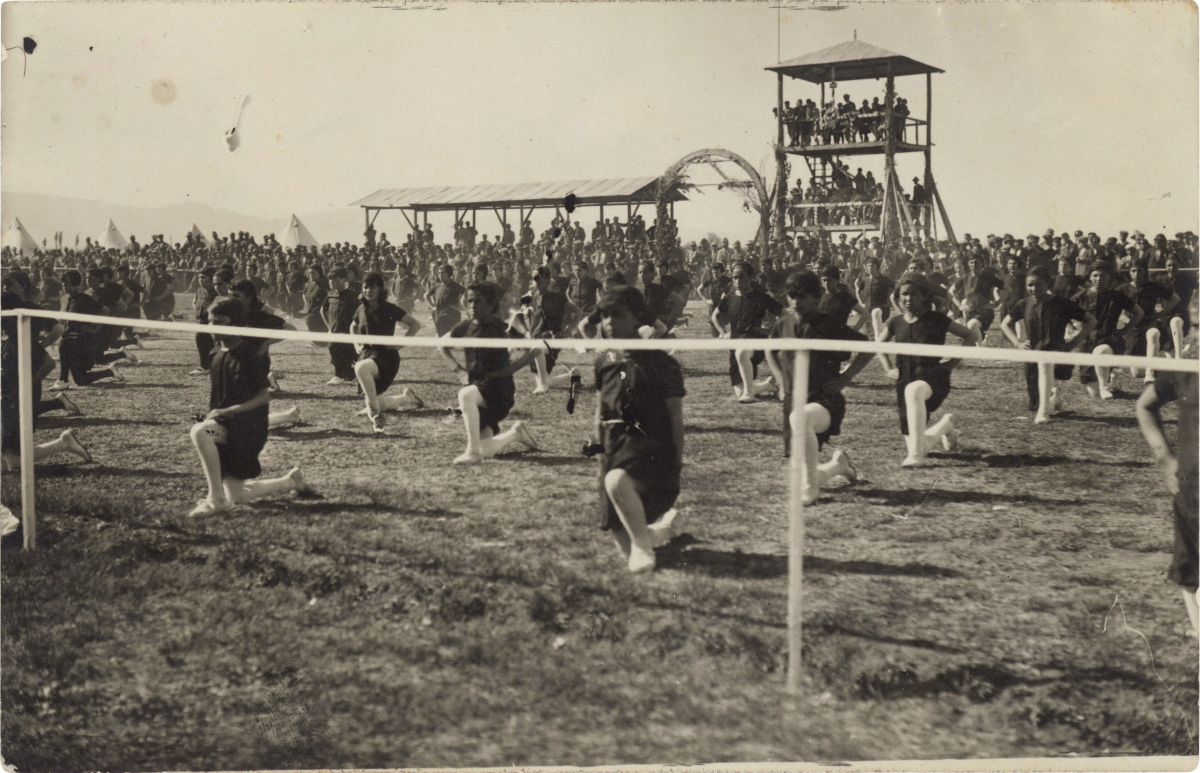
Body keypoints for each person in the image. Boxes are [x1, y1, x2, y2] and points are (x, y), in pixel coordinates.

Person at [187, 298, 315, 517]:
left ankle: (215, 501)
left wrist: (229, 411)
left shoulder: (247, 356)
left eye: (219, 322)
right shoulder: (216, 352)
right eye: (210, 322)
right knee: (237, 496)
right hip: (225, 425)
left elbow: (263, 397)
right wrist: (214, 412)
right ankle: (289, 481)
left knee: (200, 432)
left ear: (235, 324)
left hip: (246, 429)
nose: (212, 327)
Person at [592, 286, 686, 573]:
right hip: (614, 444)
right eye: (605, 316)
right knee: (620, 539)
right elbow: (600, 410)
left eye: (617, 315)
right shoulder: (605, 361)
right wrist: (599, 452)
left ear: (637, 318)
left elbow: (675, 417)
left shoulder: (662, 363)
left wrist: (676, 462)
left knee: (618, 481)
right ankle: (661, 531)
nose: (609, 322)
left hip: (650, 445)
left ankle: (646, 546)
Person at [766, 272, 872, 504]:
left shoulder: (829, 324)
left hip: (825, 401)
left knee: (801, 421)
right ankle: (838, 465)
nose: (795, 301)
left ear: (816, 298)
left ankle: (810, 490)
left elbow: (868, 347)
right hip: (793, 401)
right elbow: (769, 349)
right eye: (791, 296)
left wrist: (846, 378)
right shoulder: (783, 324)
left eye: (802, 296)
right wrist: (781, 380)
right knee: (803, 465)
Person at [875, 275, 979, 467]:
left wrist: (951, 364)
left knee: (914, 391)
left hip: (933, 378)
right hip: (904, 379)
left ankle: (915, 457)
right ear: (898, 297)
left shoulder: (936, 319)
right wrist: (888, 368)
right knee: (919, 443)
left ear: (924, 296)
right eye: (904, 294)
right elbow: (879, 345)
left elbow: (970, 335)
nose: (908, 298)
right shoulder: (895, 322)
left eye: (914, 294)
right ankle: (945, 426)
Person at [438, 282, 540, 464]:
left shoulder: (501, 328)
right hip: (479, 392)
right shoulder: (464, 327)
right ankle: (514, 434)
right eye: (469, 301)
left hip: (499, 392)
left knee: (465, 394)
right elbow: (442, 346)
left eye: (478, 302)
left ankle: (472, 454)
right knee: (484, 448)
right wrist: (458, 369)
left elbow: (535, 349)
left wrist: (510, 369)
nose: (472, 306)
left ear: (492, 304)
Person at [1135, 366, 1199, 638]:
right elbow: (1145, 406)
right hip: (1192, 490)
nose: (1196, 333)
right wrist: (1165, 459)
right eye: (1194, 326)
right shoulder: (1186, 373)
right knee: (1189, 570)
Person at [999, 270, 1095, 424]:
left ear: (1047, 284)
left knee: (1042, 405)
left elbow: (1091, 321)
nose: (1034, 288)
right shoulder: (1024, 304)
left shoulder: (1062, 303)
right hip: (1033, 355)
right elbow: (1004, 324)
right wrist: (1017, 343)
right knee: (1034, 405)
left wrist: (1072, 344)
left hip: (1057, 355)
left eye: (1038, 284)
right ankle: (1052, 398)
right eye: (1030, 285)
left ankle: (1045, 410)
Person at [350, 272, 423, 433]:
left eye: (373, 287)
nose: (369, 291)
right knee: (379, 401)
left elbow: (415, 324)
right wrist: (356, 344)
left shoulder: (389, 308)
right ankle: (406, 398)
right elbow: (353, 326)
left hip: (385, 357)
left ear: (380, 289)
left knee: (361, 368)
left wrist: (401, 344)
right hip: (367, 354)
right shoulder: (361, 308)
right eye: (366, 287)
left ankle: (374, 413)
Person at [713, 261, 783, 403]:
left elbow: (785, 313)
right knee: (739, 390)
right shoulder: (729, 297)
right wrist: (722, 332)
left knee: (742, 353)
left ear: (751, 278)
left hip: (756, 342)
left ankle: (749, 393)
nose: (738, 281)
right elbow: (715, 316)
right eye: (735, 277)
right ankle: (766, 386)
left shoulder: (760, 296)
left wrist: (774, 331)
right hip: (735, 343)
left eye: (742, 277)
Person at [1076, 261, 1142, 399]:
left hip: (1109, 338)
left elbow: (1139, 313)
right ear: (1089, 277)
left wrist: (1125, 330)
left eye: (1103, 276)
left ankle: (1103, 385)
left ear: (1110, 278)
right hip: (1087, 340)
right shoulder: (1082, 296)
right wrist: (1072, 330)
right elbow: (1064, 313)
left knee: (1101, 351)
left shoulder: (1116, 296)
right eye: (1095, 275)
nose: (1098, 279)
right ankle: (1112, 378)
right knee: (1093, 394)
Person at [322, 267, 358, 385]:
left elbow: (359, 313)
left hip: (348, 332)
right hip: (334, 331)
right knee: (334, 349)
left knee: (351, 353)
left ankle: (351, 374)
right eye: (330, 279)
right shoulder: (330, 294)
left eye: (335, 279)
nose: (331, 281)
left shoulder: (352, 295)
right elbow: (323, 310)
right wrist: (329, 327)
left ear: (344, 280)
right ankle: (339, 375)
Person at [425, 263, 467, 336]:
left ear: (449, 274)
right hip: (438, 314)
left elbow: (467, 294)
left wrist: (460, 307)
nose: (440, 275)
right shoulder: (437, 285)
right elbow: (426, 295)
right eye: (439, 273)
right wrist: (432, 307)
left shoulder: (455, 286)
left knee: (450, 336)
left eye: (442, 273)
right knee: (439, 335)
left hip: (452, 316)